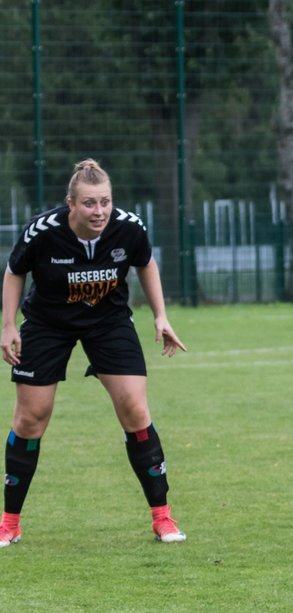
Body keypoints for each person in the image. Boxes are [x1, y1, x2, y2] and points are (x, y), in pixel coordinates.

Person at [1, 158, 187, 546]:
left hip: (109, 321)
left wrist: (161, 316)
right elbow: (15, 270)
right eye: (89, 203)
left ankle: (163, 518)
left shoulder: (128, 227)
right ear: (71, 203)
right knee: (31, 419)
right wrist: (7, 325)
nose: (99, 211)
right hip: (48, 323)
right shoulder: (43, 231)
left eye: (105, 202)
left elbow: (145, 262)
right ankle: (9, 523)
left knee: (136, 411)